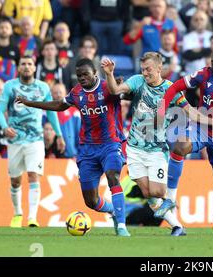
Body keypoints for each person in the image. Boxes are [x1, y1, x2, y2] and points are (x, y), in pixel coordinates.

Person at [100, 52, 213, 236]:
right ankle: (177, 227)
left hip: (157, 150)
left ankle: (173, 212)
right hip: (135, 148)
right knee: (148, 194)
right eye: (143, 69)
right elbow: (115, 90)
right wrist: (109, 74)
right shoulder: (137, 81)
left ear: (159, 68)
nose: (145, 73)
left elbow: (191, 112)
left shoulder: (171, 89)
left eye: (149, 69)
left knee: (157, 191)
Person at [15, 58, 131, 236]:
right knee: (91, 201)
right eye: (79, 75)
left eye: (85, 74)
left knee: (112, 176)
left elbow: (126, 92)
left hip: (111, 144)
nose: (82, 78)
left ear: (95, 73)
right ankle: (113, 211)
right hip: (87, 149)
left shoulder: (109, 86)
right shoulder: (76, 93)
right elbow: (59, 105)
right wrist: (31, 103)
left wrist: (114, 78)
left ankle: (122, 226)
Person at [156, 44, 213, 236]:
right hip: (201, 127)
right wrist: (162, 108)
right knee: (180, 146)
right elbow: (175, 87)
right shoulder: (203, 74)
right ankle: (170, 199)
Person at [0, 55, 65, 228]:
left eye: (29, 64)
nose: (26, 66)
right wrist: (4, 127)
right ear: (19, 68)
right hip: (15, 140)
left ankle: (32, 218)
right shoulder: (10, 87)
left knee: (34, 175)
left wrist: (59, 134)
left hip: (35, 140)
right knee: (15, 180)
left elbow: (51, 112)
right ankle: (18, 213)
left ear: (35, 68)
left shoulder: (42, 88)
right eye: (23, 64)